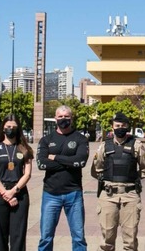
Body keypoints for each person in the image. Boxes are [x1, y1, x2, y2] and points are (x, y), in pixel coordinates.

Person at [90, 112, 145, 251]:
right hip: (108, 195)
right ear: (112, 127)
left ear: (128, 127)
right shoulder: (104, 146)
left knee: (130, 239)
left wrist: (132, 177)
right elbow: (96, 169)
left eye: (123, 125)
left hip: (130, 195)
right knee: (107, 239)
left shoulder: (136, 145)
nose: (120, 128)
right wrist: (108, 178)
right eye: (117, 126)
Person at [37, 105, 90, 251]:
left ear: (71, 118)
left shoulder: (80, 139)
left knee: (78, 237)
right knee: (46, 237)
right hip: (51, 194)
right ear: (55, 118)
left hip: (74, 193)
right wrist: (69, 162)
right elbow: (42, 164)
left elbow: (81, 161)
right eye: (60, 116)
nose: (63, 119)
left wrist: (55, 157)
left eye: (66, 116)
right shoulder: (46, 140)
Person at [0, 115, 34, 251]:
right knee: (0, 236)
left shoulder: (25, 149)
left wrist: (14, 191)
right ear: (3, 128)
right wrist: (5, 193)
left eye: (14, 127)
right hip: (0, 194)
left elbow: (27, 174)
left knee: (18, 236)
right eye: (8, 126)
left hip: (19, 193)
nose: (11, 129)